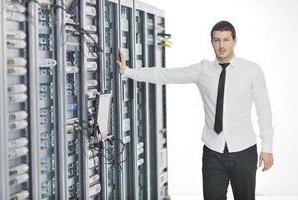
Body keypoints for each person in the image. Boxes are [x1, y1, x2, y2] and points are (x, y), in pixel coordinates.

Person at [116, 20, 274, 200]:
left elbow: (264, 109)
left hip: (244, 151)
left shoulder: (252, 70)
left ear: (234, 41)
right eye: (216, 40)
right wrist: (128, 71)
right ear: (211, 42)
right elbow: (166, 74)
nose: (221, 45)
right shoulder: (202, 70)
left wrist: (267, 147)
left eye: (226, 40)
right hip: (213, 152)